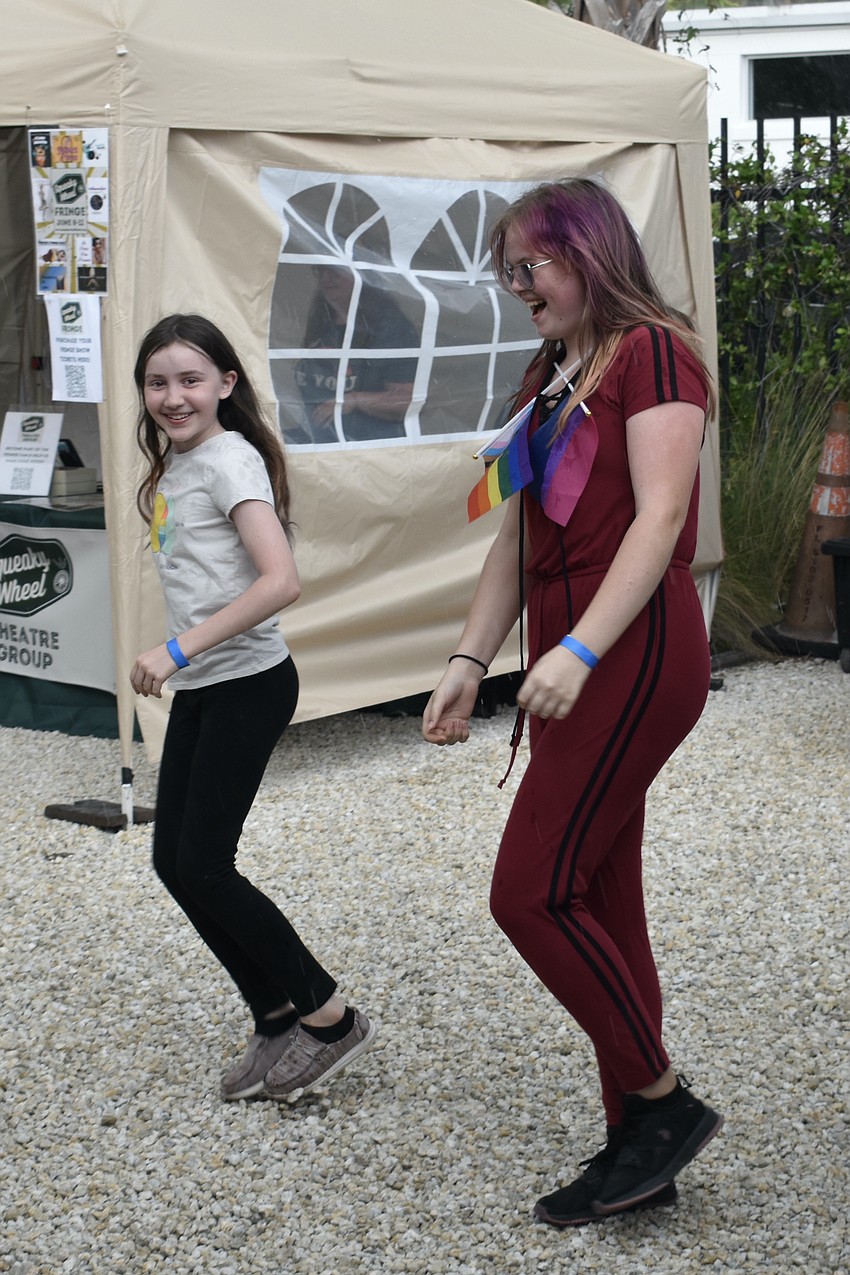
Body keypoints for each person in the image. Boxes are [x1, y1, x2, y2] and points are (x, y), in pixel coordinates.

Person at [422, 179, 724, 1227]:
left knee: (531, 890)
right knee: (599, 896)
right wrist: (471, 657)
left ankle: (663, 1106)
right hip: (574, 647)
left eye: (530, 266)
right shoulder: (548, 374)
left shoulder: (654, 354)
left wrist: (582, 649)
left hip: (631, 648)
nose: (517, 287)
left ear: (587, 253)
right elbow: (515, 532)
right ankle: (638, 1145)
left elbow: (660, 518)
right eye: (506, 271)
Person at [131, 313, 377, 1103]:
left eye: (190, 379)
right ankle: (274, 1013)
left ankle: (328, 1017)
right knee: (174, 861)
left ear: (226, 384)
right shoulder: (179, 461)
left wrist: (176, 649)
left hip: (248, 683)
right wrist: (185, 659)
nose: (173, 396)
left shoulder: (230, 460)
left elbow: (281, 581)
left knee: (205, 863)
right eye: (158, 382)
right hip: (207, 684)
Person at [293, 265, 415, 444]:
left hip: (368, 446)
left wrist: (354, 400)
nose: (325, 278)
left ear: (362, 274)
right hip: (317, 441)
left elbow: (407, 400)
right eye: (320, 271)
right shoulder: (322, 320)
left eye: (335, 270)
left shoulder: (391, 329)